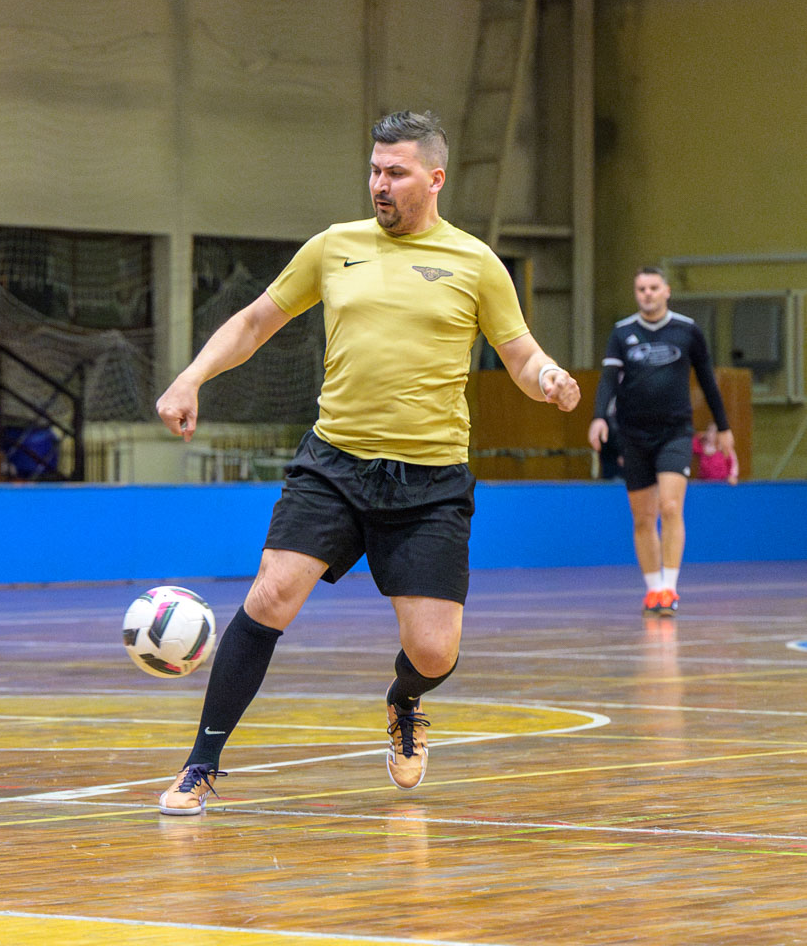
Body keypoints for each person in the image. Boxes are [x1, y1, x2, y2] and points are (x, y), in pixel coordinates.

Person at [153, 111, 581, 815]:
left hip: (430, 481)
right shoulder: (334, 246)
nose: (380, 184)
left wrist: (549, 378)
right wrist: (191, 377)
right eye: (375, 171)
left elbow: (520, 354)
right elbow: (256, 321)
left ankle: (404, 699)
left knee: (435, 652)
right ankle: (200, 765)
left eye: (396, 172)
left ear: (435, 178)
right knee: (270, 594)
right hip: (334, 464)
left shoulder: (476, 263)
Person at [588, 266, 737, 616]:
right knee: (643, 517)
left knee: (670, 507)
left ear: (667, 291)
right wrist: (598, 417)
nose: (648, 294)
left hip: (675, 432)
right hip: (634, 434)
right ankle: (653, 590)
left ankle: (669, 588)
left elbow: (708, 381)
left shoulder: (687, 330)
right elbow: (608, 379)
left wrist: (723, 426)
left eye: (654, 288)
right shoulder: (622, 332)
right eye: (641, 289)